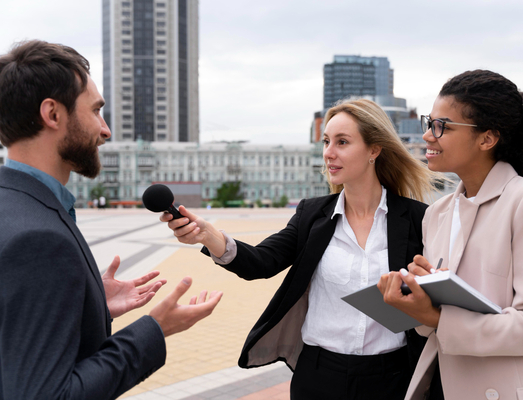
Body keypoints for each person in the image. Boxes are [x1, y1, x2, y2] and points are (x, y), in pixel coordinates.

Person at [161, 98, 440, 399]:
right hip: (319, 375)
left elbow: (436, 296)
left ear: (374, 150)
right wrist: (208, 235)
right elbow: (262, 262)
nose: (329, 153)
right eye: (326, 142)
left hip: (393, 377)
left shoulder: (417, 218)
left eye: (342, 142)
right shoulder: (312, 215)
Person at [0, 40, 223, 399]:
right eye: (95, 111)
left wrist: (87, 306)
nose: (105, 131)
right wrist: (154, 329)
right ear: (53, 114)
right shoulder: (39, 240)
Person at [378, 70, 523, 400]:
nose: (429, 136)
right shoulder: (437, 214)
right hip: (449, 385)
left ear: (487, 139)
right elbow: (433, 325)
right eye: (429, 123)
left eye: (441, 126)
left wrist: (437, 316)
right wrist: (415, 303)